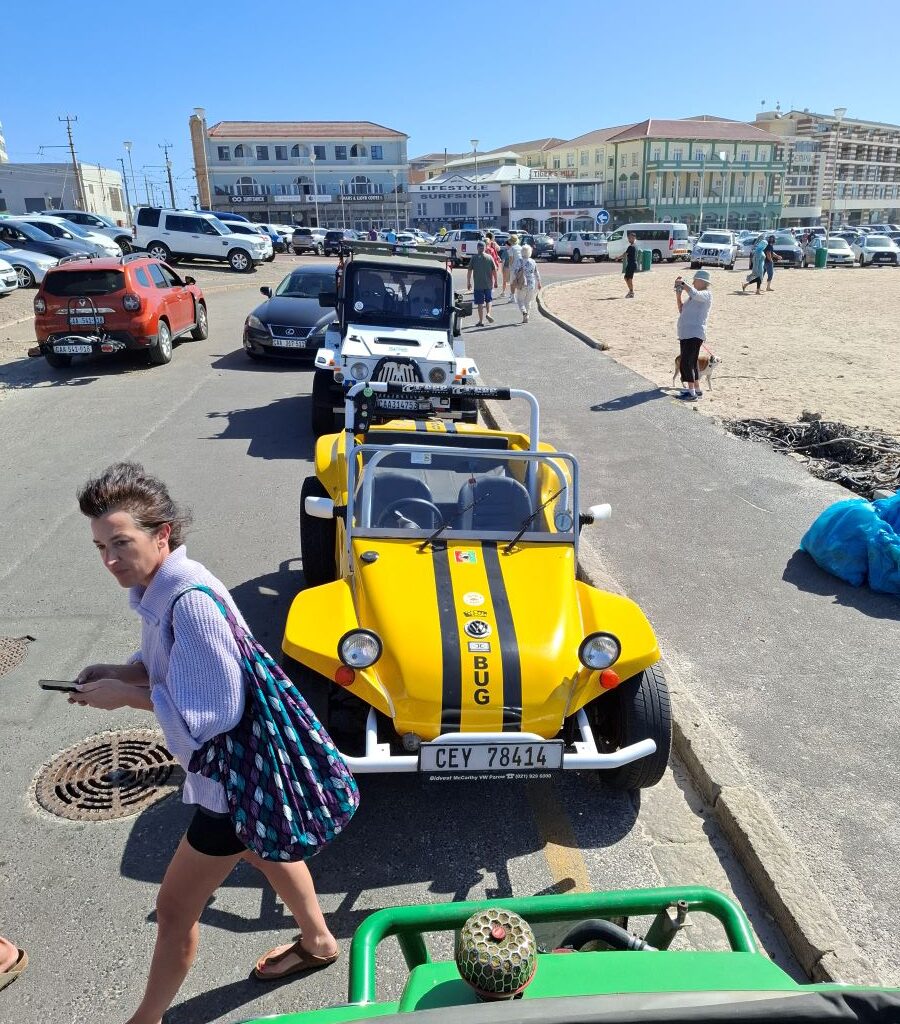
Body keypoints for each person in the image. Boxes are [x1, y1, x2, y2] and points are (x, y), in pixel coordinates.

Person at [70, 463, 339, 1024]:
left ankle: (145, 1020)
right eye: (100, 546)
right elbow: (172, 667)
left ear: (161, 534)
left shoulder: (187, 601)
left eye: (121, 543)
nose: (110, 560)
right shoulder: (158, 586)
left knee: (173, 911)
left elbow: (213, 713)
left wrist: (125, 696)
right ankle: (317, 943)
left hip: (226, 783)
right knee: (264, 852)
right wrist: (123, 672)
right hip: (243, 776)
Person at [674, 269, 713, 401]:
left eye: (695, 280)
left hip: (694, 333)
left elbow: (694, 293)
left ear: (701, 281)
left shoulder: (706, 294)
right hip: (686, 333)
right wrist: (679, 294)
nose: (693, 282)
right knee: (691, 362)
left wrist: (683, 284)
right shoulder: (692, 297)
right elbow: (681, 309)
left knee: (687, 362)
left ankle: (691, 393)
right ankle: (696, 389)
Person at [466, 241, 497, 326]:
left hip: (478, 285)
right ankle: (489, 313)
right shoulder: (489, 257)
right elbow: (494, 270)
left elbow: (469, 271)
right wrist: (496, 281)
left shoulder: (474, 258)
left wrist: (468, 282)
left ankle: (481, 321)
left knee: (480, 303)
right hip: (488, 284)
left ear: (477, 248)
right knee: (489, 300)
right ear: (485, 248)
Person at [512, 243, 541, 323]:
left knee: (520, 300)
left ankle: (524, 312)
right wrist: (539, 282)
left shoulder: (519, 261)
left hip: (522, 283)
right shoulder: (533, 261)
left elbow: (515, 272)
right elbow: (536, 272)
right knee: (528, 301)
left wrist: (513, 281)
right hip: (531, 284)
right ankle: (527, 316)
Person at [506, 233, 523, 304]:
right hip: (521, 267)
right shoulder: (520, 247)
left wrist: (509, 267)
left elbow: (511, 259)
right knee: (520, 282)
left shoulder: (511, 249)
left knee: (512, 283)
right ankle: (520, 297)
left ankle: (513, 297)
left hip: (513, 268)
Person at [622, 231, 638, 298]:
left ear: (634, 238)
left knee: (629, 278)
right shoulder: (634, 246)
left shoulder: (631, 246)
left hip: (632, 264)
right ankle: (631, 291)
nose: (629, 239)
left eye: (630, 238)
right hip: (631, 264)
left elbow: (625, 254)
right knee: (626, 278)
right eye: (629, 238)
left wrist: (617, 257)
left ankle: (631, 292)